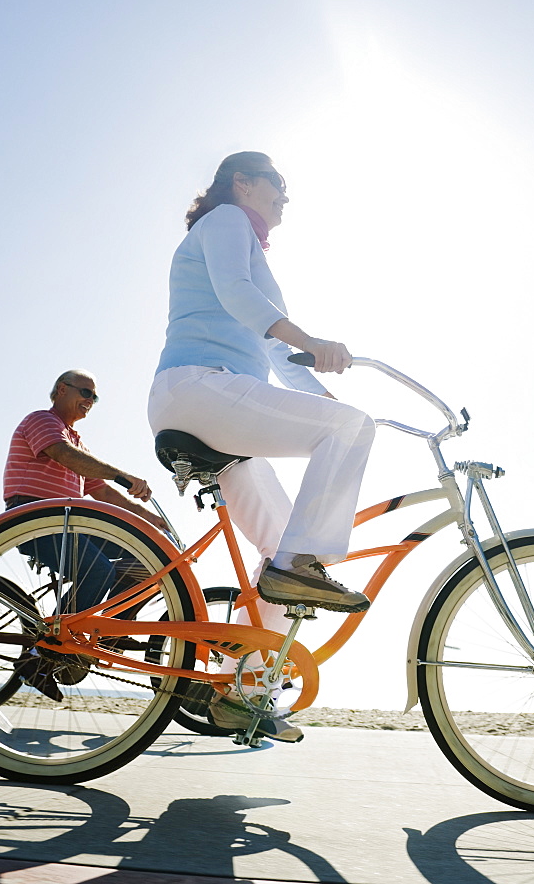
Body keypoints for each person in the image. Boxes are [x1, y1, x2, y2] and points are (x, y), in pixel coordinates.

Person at [148, 151, 376, 741]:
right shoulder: (224, 220)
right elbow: (238, 295)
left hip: (212, 399)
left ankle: (241, 693)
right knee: (351, 430)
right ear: (242, 182)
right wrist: (314, 341)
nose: (285, 197)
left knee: (279, 546)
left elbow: (275, 351)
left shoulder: (242, 238)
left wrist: (319, 388)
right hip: (200, 386)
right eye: (278, 184)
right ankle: (304, 566)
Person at [3, 368, 166, 700]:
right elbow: (65, 456)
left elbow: (101, 492)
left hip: (72, 522)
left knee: (151, 560)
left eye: (95, 397)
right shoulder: (42, 421)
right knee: (99, 570)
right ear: (62, 390)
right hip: (36, 517)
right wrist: (122, 473)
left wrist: (150, 519)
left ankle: (110, 632)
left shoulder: (76, 440)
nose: (91, 402)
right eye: (86, 393)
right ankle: (41, 656)